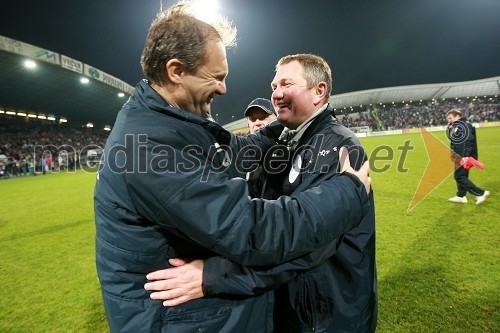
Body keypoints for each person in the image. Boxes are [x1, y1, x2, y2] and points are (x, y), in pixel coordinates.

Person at [94, 3, 372, 333]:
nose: (224, 88)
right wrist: (348, 190)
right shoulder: (149, 146)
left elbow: (235, 152)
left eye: (286, 85)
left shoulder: (167, 121)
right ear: (176, 71)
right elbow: (253, 230)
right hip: (179, 319)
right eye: (217, 77)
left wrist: (278, 127)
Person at [146, 54, 377, 332]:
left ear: (319, 91)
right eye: (274, 86)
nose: (276, 94)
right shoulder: (284, 136)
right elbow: (238, 154)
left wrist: (215, 277)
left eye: (286, 84)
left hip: (325, 315)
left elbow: (307, 244)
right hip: (296, 305)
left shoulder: (338, 147)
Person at [446, 109, 489, 204]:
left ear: (458, 116)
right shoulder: (459, 125)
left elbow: (467, 141)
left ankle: (480, 193)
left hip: (463, 156)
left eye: (450, 118)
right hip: (459, 155)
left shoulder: (464, 125)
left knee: (459, 176)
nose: (449, 120)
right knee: (462, 175)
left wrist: (465, 156)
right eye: (448, 119)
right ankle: (461, 195)